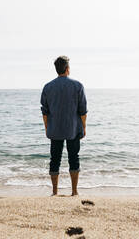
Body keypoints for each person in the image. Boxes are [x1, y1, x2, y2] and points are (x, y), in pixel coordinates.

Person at [40, 56, 87, 196]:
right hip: (73, 128)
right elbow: (83, 111)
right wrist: (84, 127)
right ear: (67, 69)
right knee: (74, 158)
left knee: (54, 159)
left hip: (55, 129)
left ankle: (54, 192)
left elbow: (45, 112)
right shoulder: (78, 85)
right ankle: (74, 191)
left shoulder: (48, 87)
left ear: (57, 69)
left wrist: (47, 127)